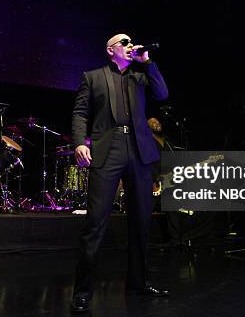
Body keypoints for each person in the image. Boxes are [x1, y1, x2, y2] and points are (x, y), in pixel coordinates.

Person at [70, 34, 169, 313]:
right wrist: (79, 142)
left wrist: (148, 63)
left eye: (131, 43)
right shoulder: (93, 77)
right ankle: (83, 290)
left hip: (138, 150)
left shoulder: (139, 76)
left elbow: (162, 94)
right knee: (95, 222)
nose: (129, 45)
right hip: (107, 148)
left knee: (141, 221)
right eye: (123, 43)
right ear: (110, 50)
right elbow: (80, 113)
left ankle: (139, 282)